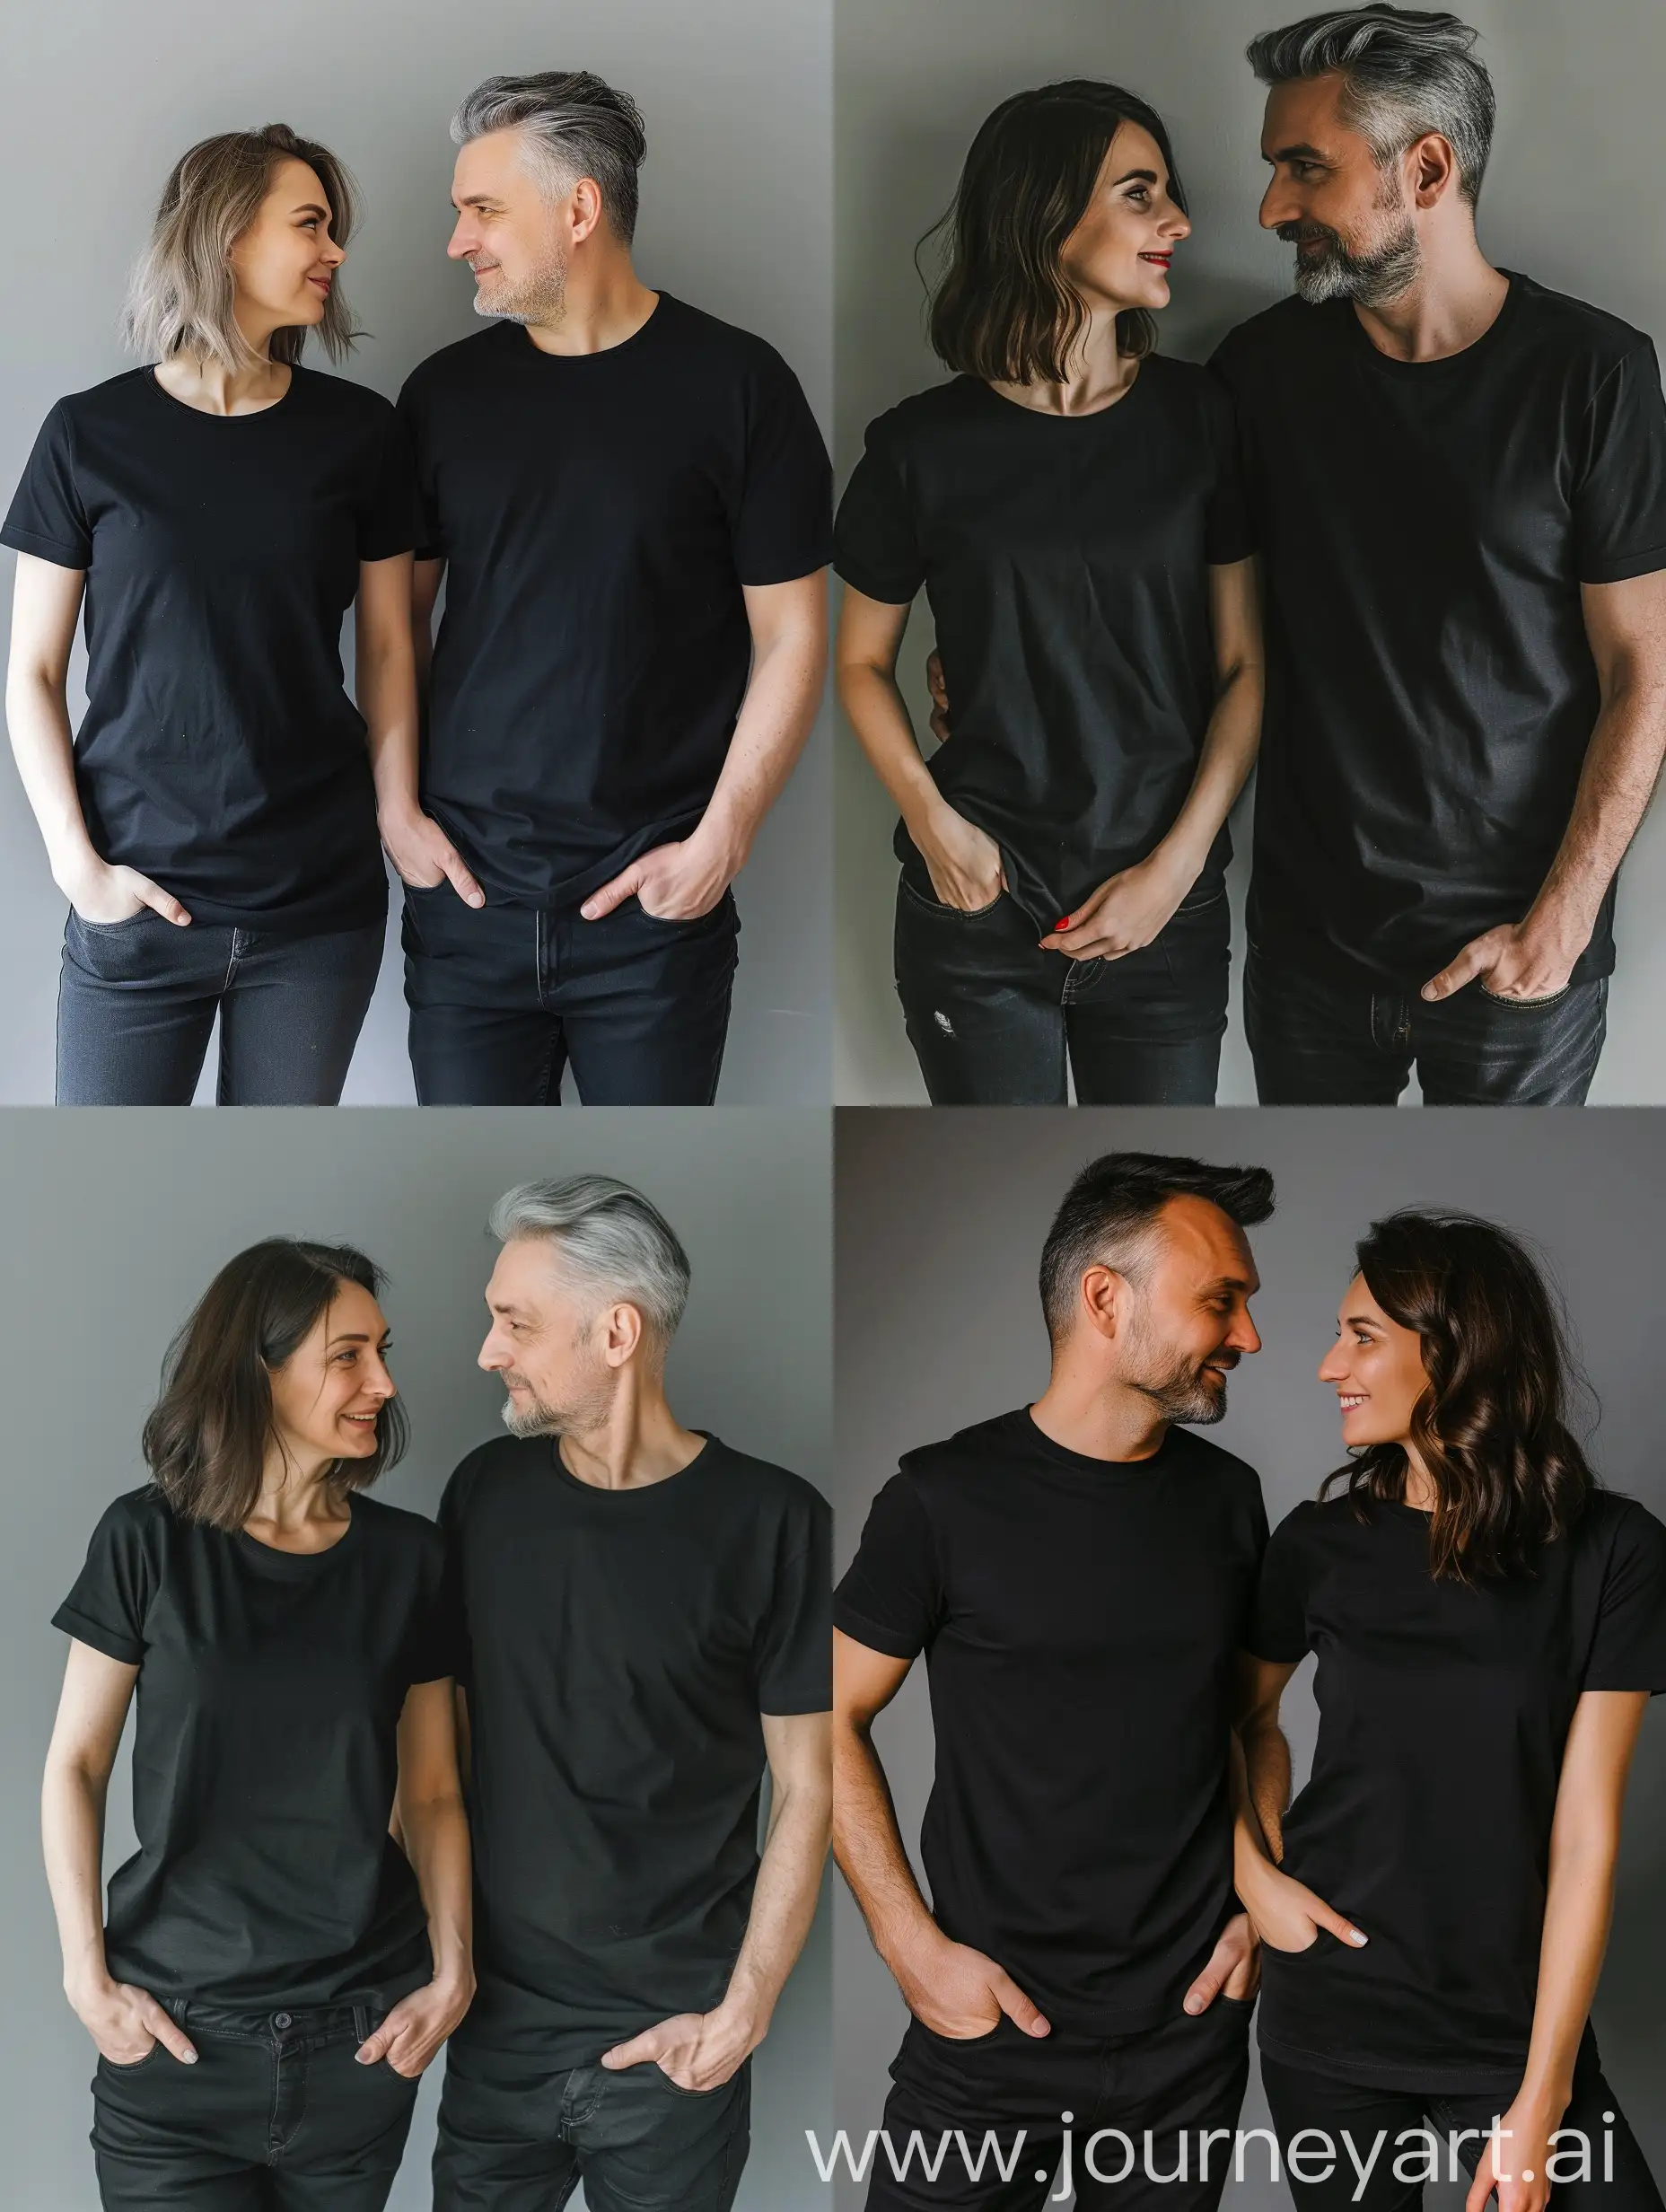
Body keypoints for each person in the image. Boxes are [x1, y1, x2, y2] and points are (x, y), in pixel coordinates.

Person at [1211, 7, 1666, 1104]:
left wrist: (1556, 928)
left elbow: (1639, 671)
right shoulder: (1257, 372)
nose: (1271, 207)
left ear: (1424, 167)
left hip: (1518, 961)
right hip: (1308, 956)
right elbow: (1198, 618)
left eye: (1303, 168)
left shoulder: (1592, 375)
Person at [834, 1153, 1274, 2210]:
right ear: (1103, 1298)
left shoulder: (1229, 1500)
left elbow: (1251, 1720)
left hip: (1185, 2043)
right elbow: (827, 1715)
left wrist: (1255, 1899)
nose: (1248, 1337)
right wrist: (909, 1947)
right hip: (985, 2035)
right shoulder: (940, 1499)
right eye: (1221, 1301)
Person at [2, 127, 469, 1105]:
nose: (335, 252)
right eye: (311, 224)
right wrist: (79, 869)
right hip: (136, 902)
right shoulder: (89, 434)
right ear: (223, 238)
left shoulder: (361, 435)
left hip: (315, 908)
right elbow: (33, 675)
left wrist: (397, 812)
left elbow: (389, 645)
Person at [396, 73, 832, 1105]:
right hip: (466, 912)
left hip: (654, 920)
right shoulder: (440, 397)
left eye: (482, 209)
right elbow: (394, 627)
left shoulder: (740, 386)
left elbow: (794, 639)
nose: (458, 240)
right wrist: (397, 816)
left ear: (578, 208)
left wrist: (719, 845)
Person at [837, 84, 1262, 1106]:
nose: (1178, 224)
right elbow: (857, 663)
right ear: (1041, 214)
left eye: (1168, 193)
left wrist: (1175, 869)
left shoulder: (1199, 418)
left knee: (1151, 1184)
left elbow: (1246, 667)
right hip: (975, 908)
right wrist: (931, 821)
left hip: (1164, 911)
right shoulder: (919, 446)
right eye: (1137, 194)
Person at [1235, 1211, 1666, 2212]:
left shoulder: (1614, 1551)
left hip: (1508, 2021)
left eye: (1361, 1336)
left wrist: (1544, 2088)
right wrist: (1250, 1876)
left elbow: (1584, 1833)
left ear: (1454, 1347)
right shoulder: (1315, 1543)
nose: (1325, 1366)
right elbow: (1231, 1721)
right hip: (1331, 2013)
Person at [41, 1241, 472, 2211]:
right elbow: (75, 1762)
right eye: (349, 1354)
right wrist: (84, 1974)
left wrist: (454, 1972)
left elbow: (436, 1790)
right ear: (259, 1368)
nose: (385, 1382)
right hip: (176, 2048)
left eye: (383, 1350)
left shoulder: (410, 1560)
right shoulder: (144, 1538)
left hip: (360, 2045)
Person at [431, 1174, 831, 2209]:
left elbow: (808, 1785)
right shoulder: (482, 1495)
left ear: (616, 1332)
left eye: (512, 1322)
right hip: (493, 2041)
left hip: (672, 2054)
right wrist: (444, 1962)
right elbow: (435, 1754)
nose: (488, 1351)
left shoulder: (775, 1521)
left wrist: (744, 2009)